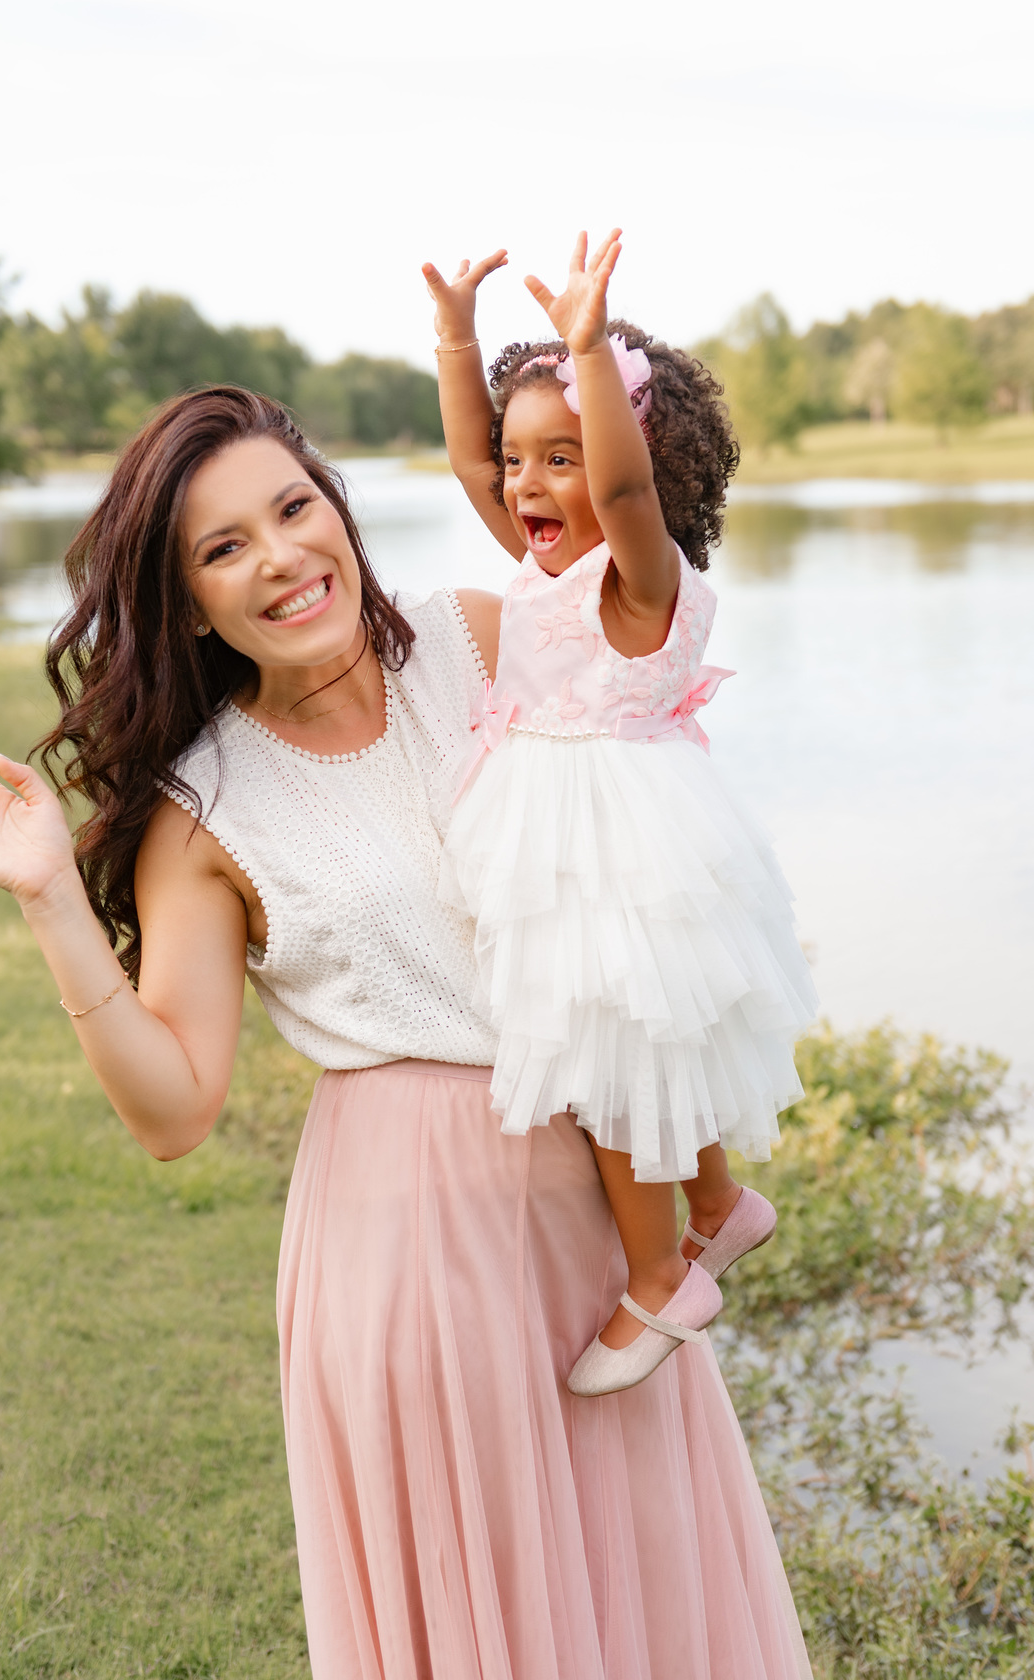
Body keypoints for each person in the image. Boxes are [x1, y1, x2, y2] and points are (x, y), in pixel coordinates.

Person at [0, 386, 812, 1678]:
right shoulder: (202, 810)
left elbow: (638, 733)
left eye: (292, 507)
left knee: (648, 1581)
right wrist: (53, 901)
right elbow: (175, 1112)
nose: (279, 557)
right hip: (410, 1248)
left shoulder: (485, 637)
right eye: (224, 548)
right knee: (490, 1614)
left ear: (336, 507)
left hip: (601, 1211)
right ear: (186, 602)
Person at [423, 232, 817, 1398]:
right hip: (567, 834)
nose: (526, 486)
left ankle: (661, 1277)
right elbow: (468, 464)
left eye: (563, 459)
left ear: (635, 462)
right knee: (642, 1041)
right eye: (521, 460)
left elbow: (623, 490)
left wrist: (591, 350)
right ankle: (719, 1204)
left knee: (609, 1067)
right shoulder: (545, 562)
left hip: (616, 842)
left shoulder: (639, 576)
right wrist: (456, 341)